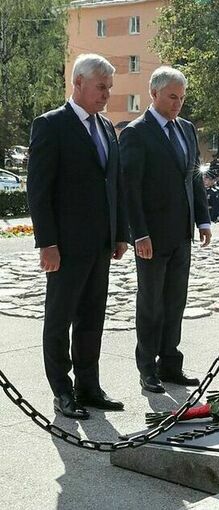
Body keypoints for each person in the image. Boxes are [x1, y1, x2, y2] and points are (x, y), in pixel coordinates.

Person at [26, 53, 128, 419]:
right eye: (101, 87)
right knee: (60, 318)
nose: (107, 95)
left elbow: (114, 185)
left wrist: (120, 234)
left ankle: (89, 386)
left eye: (109, 88)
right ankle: (62, 391)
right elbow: (39, 190)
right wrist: (47, 243)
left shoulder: (105, 127)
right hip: (65, 247)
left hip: (100, 244)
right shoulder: (51, 125)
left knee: (92, 318)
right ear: (79, 83)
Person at [120, 66, 212, 394]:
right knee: (151, 304)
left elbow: (194, 177)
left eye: (183, 98)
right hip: (151, 238)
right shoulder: (136, 132)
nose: (178, 103)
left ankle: (171, 364)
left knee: (175, 302)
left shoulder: (186, 129)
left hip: (181, 234)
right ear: (154, 93)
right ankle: (148, 369)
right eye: (173, 96)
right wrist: (138, 233)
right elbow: (129, 189)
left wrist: (203, 219)